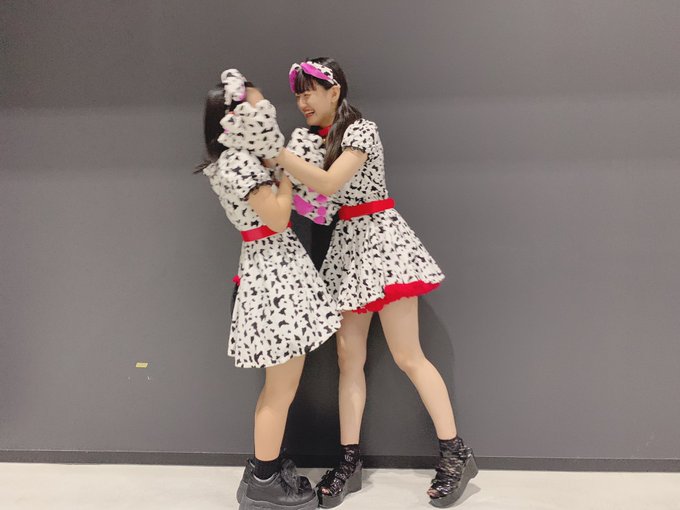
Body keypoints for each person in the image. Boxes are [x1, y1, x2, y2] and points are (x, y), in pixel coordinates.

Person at [267, 58, 477, 508]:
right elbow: (307, 201)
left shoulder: (361, 130)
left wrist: (277, 153)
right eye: (298, 94)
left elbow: (329, 183)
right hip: (346, 244)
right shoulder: (309, 141)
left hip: (382, 240)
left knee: (408, 356)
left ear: (334, 91)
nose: (302, 101)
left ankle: (456, 454)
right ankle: (349, 461)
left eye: (309, 91)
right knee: (348, 360)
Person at [197, 68, 341, 510]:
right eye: (258, 106)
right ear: (234, 117)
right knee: (280, 391)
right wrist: (285, 171)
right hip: (272, 277)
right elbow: (277, 218)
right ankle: (264, 479)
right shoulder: (237, 162)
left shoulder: (243, 160)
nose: (267, 111)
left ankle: (265, 468)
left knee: (278, 389)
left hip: (276, 272)